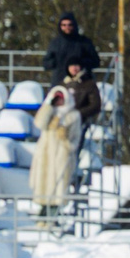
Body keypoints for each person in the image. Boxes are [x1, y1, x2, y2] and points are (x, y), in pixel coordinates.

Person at [31, 85, 80, 219]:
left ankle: (53, 216)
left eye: (61, 98)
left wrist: (64, 139)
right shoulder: (48, 112)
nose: (59, 101)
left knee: (58, 188)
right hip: (45, 154)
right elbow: (39, 124)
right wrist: (48, 107)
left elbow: (76, 140)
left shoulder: (73, 116)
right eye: (56, 98)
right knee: (44, 187)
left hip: (61, 156)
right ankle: (42, 216)